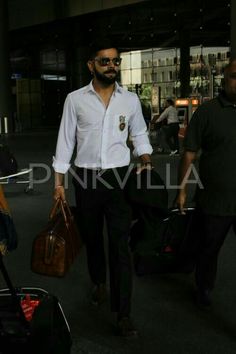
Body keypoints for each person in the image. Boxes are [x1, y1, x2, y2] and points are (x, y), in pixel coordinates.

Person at [52, 39, 153, 336]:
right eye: (105, 61)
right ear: (91, 65)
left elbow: (140, 134)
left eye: (116, 61)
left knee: (120, 245)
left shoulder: (130, 100)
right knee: (92, 238)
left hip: (119, 179)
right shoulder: (75, 99)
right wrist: (58, 183)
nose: (112, 66)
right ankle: (99, 283)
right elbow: (65, 141)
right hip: (85, 179)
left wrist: (145, 155)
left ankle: (123, 313)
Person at [175, 59, 236, 307]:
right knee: (208, 249)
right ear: (224, 78)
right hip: (214, 200)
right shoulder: (208, 112)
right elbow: (188, 154)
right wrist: (182, 191)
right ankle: (204, 287)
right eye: (234, 76)